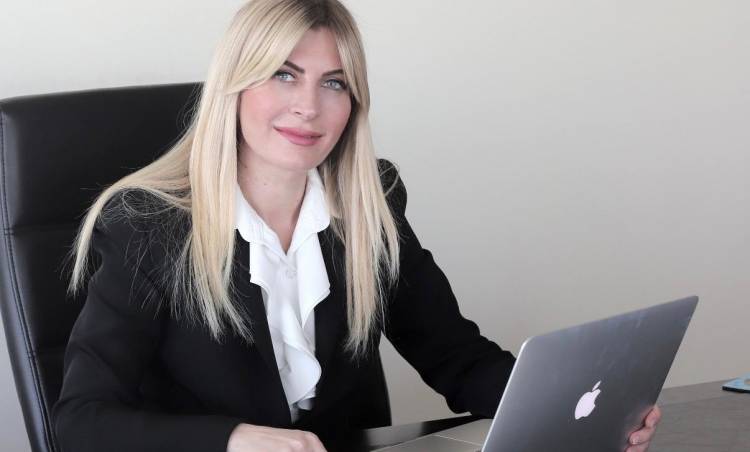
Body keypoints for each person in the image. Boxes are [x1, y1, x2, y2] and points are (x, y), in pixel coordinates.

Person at [52, 1, 662, 451]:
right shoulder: (148, 226)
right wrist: (235, 439)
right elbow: (81, 421)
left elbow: (455, 356)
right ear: (234, 86)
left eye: (334, 83)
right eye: (283, 74)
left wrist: (577, 411)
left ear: (354, 103)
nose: (308, 107)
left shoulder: (371, 203)